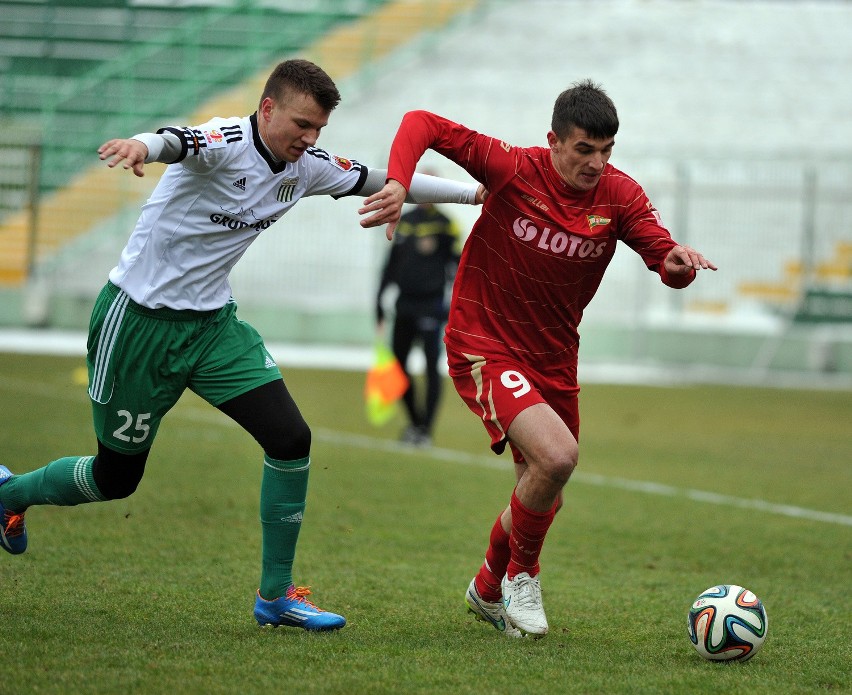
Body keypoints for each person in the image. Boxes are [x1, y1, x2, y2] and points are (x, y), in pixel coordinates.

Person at [0, 58, 484, 632]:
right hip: (137, 326)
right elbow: (176, 139)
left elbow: (380, 178)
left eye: (319, 130)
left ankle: (275, 597)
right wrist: (138, 145)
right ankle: (11, 494)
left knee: (290, 437)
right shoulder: (226, 140)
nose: (309, 139)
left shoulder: (306, 167)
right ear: (268, 107)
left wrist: (475, 194)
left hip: (213, 330)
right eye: (302, 124)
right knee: (115, 478)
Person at [364, 79, 717, 638]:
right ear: (554, 141)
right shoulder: (513, 169)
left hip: (554, 360)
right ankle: (521, 576)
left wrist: (679, 263)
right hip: (484, 344)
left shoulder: (620, 197)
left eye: (607, 151)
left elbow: (664, 260)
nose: (597, 163)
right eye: (584, 149)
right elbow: (421, 122)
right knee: (556, 458)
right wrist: (398, 182)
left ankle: (485, 585)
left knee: (543, 493)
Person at [375, 192, 462, 447]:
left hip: (431, 305)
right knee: (398, 365)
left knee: (431, 366)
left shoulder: (446, 224)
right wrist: (379, 301)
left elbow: (460, 266)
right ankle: (415, 422)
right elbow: (391, 264)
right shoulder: (406, 221)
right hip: (404, 304)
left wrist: (456, 306)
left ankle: (425, 428)